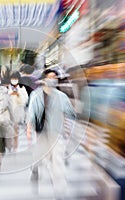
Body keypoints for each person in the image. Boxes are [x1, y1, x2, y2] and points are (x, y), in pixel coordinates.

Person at [27, 69, 77, 199]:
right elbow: (31, 115)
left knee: (58, 162)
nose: (53, 80)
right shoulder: (36, 95)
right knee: (42, 159)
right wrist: (28, 131)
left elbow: (70, 114)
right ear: (44, 79)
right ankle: (35, 170)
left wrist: (67, 130)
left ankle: (59, 191)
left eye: (55, 78)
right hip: (41, 134)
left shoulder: (61, 96)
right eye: (50, 77)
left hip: (56, 133)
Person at [8, 71, 28, 151]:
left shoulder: (22, 88)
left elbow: (25, 100)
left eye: (16, 78)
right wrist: (10, 94)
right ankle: (9, 145)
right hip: (8, 113)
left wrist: (18, 94)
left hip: (17, 113)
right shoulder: (7, 88)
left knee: (16, 130)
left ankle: (15, 147)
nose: (14, 80)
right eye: (13, 78)